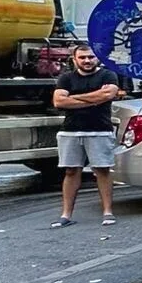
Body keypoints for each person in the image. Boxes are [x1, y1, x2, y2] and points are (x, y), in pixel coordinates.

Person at [51, 45, 125, 228]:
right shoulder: (66, 78)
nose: (87, 61)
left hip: (100, 130)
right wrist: (94, 98)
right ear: (74, 59)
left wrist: (74, 98)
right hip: (70, 131)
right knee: (70, 171)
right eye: (82, 57)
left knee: (102, 170)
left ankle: (108, 212)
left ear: (97, 58)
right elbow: (58, 101)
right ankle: (66, 215)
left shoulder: (108, 76)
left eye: (90, 57)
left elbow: (108, 94)